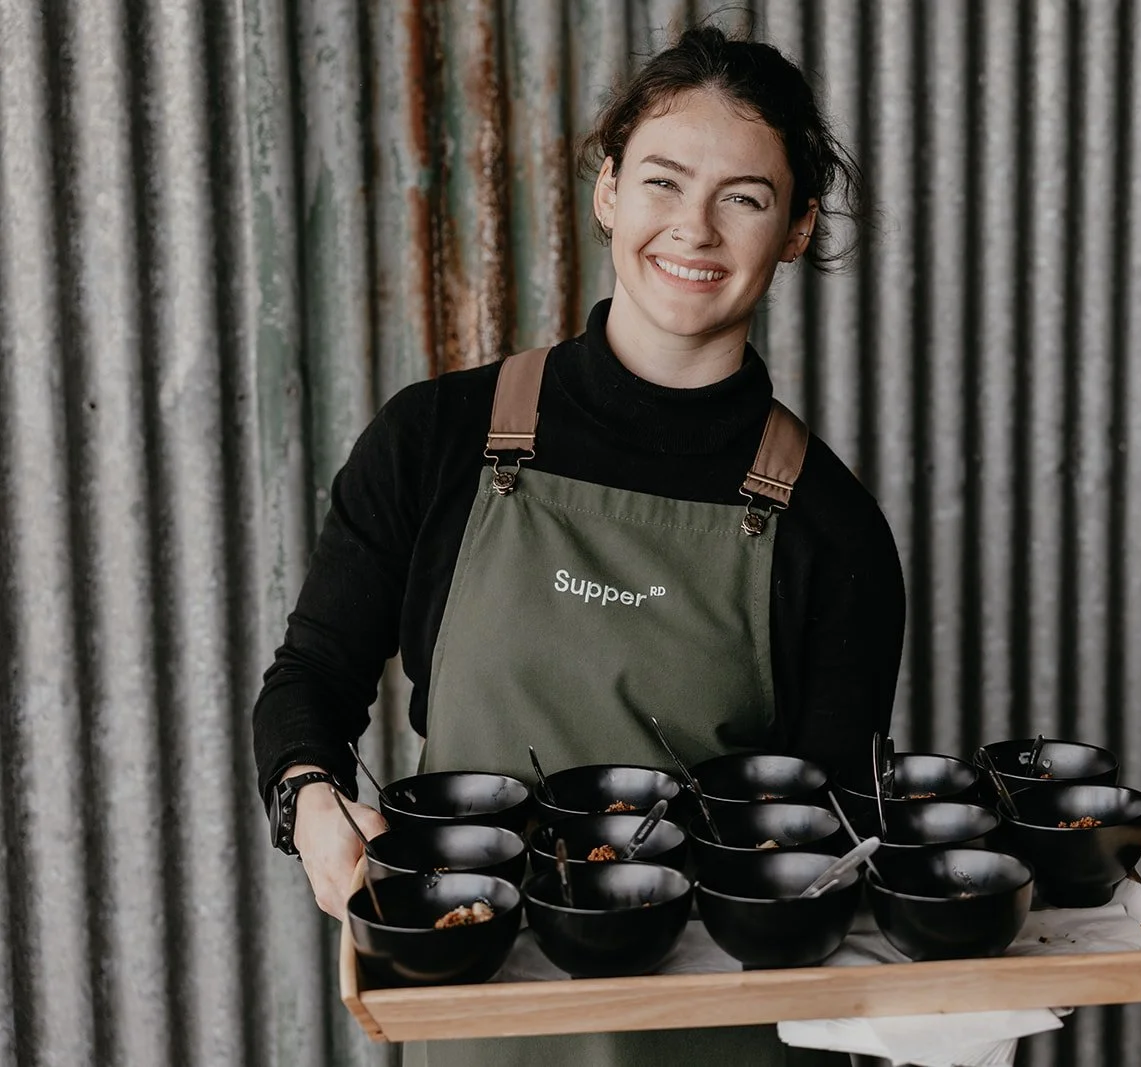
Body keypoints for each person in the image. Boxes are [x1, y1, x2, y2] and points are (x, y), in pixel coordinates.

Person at [252, 24, 906, 1067]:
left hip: (715, 1034)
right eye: (660, 180)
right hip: (482, 1011)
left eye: (743, 195)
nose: (691, 227)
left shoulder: (832, 531)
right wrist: (310, 800)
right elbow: (312, 680)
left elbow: (818, 842)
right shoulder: (436, 440)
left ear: (794, 227)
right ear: (607, 191)